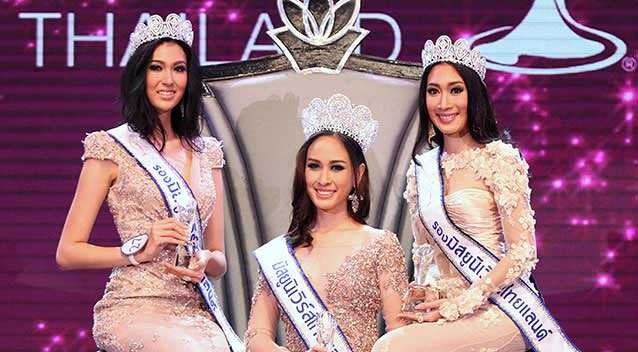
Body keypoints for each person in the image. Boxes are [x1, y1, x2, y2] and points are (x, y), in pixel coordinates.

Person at [372, 35, 579, 352]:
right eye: (433, 91)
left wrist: (463, 303)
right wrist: (431, 294)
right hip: (450, 306)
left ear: (474, 95)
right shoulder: (422, 171)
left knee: (394, 348)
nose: (443, 103)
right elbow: (426, 254)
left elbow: (522, 253)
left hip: (505, 307)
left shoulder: (500, 159)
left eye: (456, 90)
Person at [55, 14, 242, 352]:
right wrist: (137, 251)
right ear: (140, 75)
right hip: (134, 305)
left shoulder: (208, 153)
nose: (168, 79)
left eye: (179, 69)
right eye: (157, 67)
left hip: (193, 310)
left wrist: (203, 261)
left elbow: (219, 258)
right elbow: (68, 252)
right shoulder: (110, 148)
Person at [245, 94, 408, 352]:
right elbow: (256, 336)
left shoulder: (381, 244)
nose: (323, 179)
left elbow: (402, 335)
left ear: (358, 175)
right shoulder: (281, 253)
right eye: (314, 166)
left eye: (336, 168)